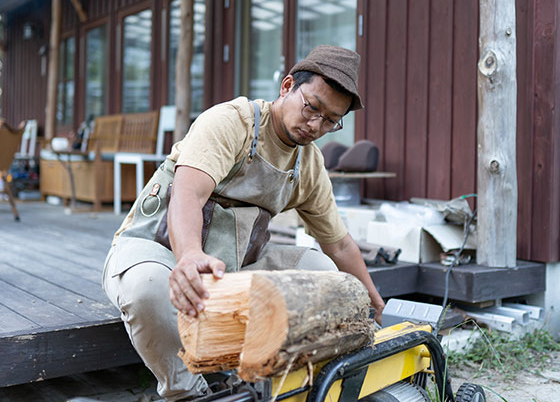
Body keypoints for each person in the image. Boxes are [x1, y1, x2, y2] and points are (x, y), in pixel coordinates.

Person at [102, 45, 385, 401]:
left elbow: (339, 243)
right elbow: (187, 195)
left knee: (325, 271)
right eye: (312, 107)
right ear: (286, 87)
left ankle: (276, 379)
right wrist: (188, 255)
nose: (316, 125)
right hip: (159, 251)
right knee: (146, 287)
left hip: (230, 267)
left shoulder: (308, 165)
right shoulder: (232, 122)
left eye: (331, 121)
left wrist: (371, 299)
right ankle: (191, 393)